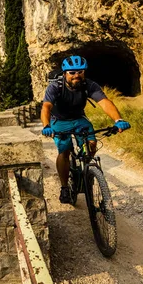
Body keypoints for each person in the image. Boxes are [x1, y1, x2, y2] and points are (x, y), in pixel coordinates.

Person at [41, 55, 130, 204]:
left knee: (92, 143)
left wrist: (118, 120)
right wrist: (46, 126)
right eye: (72, 72)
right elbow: (46, 107)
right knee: (64, 150)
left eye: (80, 72)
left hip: (79, 118)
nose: (76, 75)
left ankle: (87, 170)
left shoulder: (89, 85)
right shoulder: (56, 86)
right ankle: (64, 187)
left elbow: (104, 102)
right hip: (59, 120)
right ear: (65, 73)